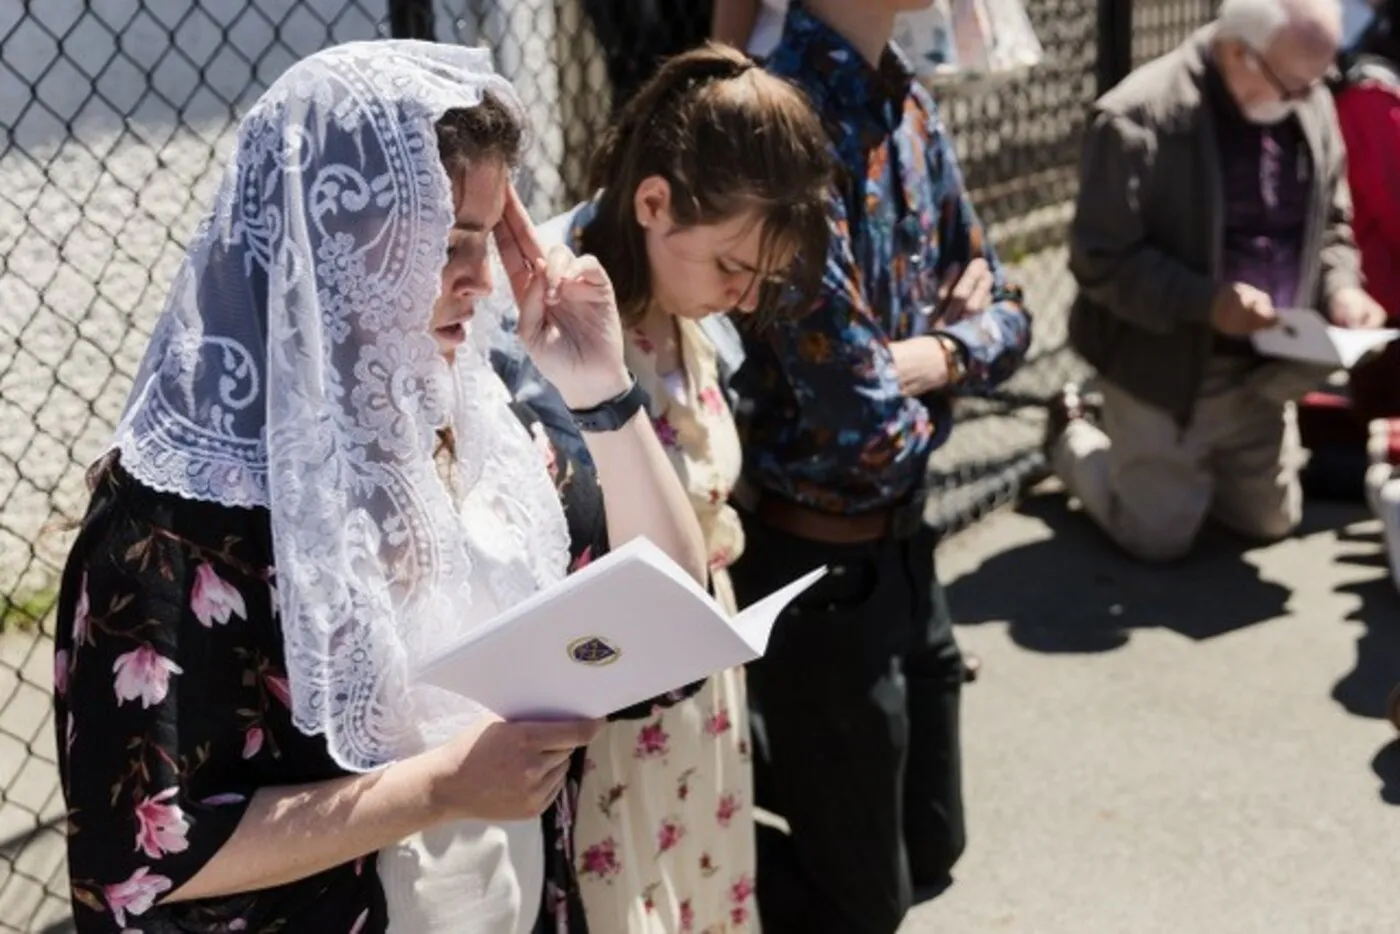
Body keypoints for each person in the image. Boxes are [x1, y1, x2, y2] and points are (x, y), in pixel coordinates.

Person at [51, 40, 708, 934]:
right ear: (324, 238)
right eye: (446, 244)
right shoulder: (174, 518)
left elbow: (666, 640)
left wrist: (601, 386)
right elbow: (137, 861)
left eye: (486, 238)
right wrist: (438, 787)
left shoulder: (487, 435)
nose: (481, 284)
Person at [496, 42, 832, 933]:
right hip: (605, 717)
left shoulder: (693, 316)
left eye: (764, 278)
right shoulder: (544, 329)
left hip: (699, 708)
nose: (747, 298)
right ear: (653, 203)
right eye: (733, 267)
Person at [723, 2, 1033, 931]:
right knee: (863, 905)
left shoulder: (908, 101)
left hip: (907, 547)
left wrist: (931, 356)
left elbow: (1010, 306)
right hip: (816, 569)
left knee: (934, 849)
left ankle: (780, 791)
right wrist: (961, 350)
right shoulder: (783, 126)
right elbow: (864, 425)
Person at [1047, 0, 1386, 563]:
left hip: (1266, 367)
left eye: (1317, 80)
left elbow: (1333, 228)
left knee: (1270, 523)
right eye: (1296, 83)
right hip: (1165, 366)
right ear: (1237, 53)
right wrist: (1206, 304)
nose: (1312, 97)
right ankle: (1072, 433)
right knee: (1157, 539)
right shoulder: (1136, 117)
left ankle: (1177, 460)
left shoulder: (1306, 94)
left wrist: (1342, 289)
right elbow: (1101, 262)